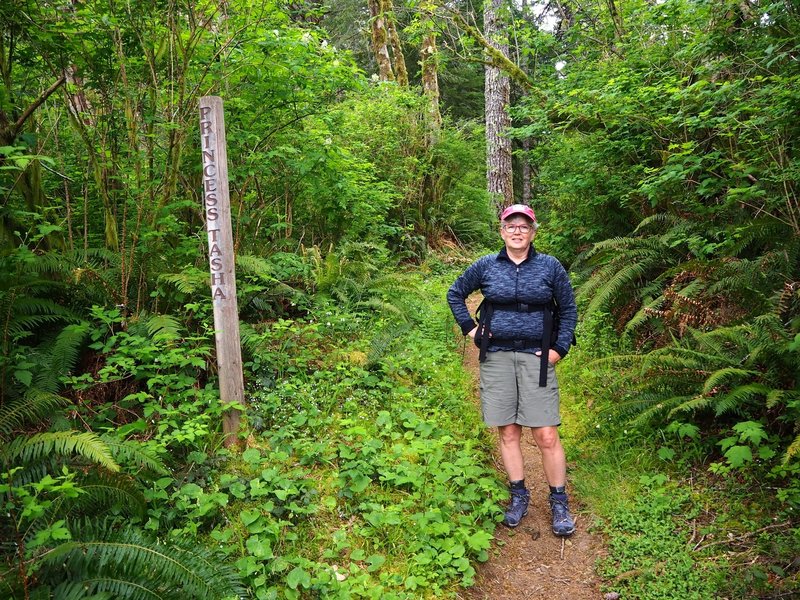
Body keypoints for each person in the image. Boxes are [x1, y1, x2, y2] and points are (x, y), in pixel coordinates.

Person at [447, 204, 578, 535]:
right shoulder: (487, 266)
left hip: (537, 358)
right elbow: (455, 293)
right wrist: (471, 329)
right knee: (508, 431)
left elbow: (569, 309)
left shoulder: (550, 267)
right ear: (502, 231)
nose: (517, 231)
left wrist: (558, 350)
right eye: (511, 226)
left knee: (546, 433)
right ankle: (518, 495)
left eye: (524, 226)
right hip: (498, 357)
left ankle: (559, 502)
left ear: (533, 232)